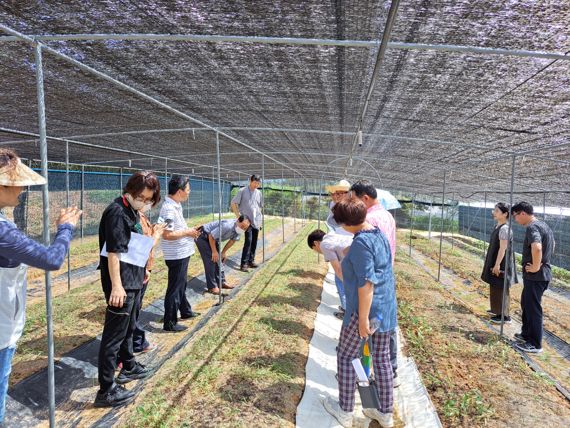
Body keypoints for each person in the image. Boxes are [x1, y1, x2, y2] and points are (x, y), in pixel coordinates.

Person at [0, 149, 81, 422]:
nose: (22, 190)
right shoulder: (2, 231)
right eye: (16, 183)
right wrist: (66, 228)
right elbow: (51, 259)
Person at [323, 197, 396, 428]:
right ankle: (385, 412)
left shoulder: (362, 244)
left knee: (346, 356)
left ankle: (344, 410)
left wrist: (362, 319)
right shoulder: (376, 234)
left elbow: (366, 284)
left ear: (347, 223)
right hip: (385, 307)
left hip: (366, 311)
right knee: (382, 359)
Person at [96, 171, 161, 408]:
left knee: (128, 328)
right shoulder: (116, 212)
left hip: (133, 279)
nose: (145, 202)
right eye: (142, 197)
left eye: (149, 199)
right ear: (131, 191)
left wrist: (143, 267)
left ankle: (128, 364)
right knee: (113, 336)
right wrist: (117, 286)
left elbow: (133, 246)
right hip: (121, 284)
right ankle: (106, 389)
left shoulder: (132, 211)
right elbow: (114, 252)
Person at [350, 180, 399, 387]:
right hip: (387, 278)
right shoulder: (388, 215)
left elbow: (366, 264)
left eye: (354, 200)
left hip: (373, 282)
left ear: (365, 199)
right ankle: (392, 371)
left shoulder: (369, 219)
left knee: (369, 330)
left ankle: (367, 374)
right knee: (388, 327)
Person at [511, 201, 555, 354]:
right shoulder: (544, 226)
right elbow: (552, 245)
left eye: (515, 216)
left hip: (536, 276)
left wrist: (536, 266)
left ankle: (535, 344)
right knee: (526, 303)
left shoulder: (532, 227)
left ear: (522, 213)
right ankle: (526, 334)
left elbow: (537, 247)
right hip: (539, 275)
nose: (515, 220)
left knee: (533, 308)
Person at [159, 175, 201, 332]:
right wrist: (187, 232)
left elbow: (176, 229)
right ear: (179, 191)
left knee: (181, 284)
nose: (189, 192)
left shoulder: (175, 205)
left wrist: (189, 231)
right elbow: (167, 235)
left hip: (182, 252)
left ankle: (185, 311)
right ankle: (170, 322)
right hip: (176, 254)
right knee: (175, 287)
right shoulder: (169, 208)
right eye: (188, 190)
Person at [131, 201, 166, 354]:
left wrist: (154, 229)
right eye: (147, 199)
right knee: (133, 310)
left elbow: (146, 235)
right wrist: (156, 235)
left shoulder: (141, 215)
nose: (149, 203)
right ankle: (136, 344)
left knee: (136, 308)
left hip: (143, 268)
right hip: (137, 269)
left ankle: (135, 343)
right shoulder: (132, 219)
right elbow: (141, 245)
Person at [480, 203, 517, 324]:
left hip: (501, 263)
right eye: (494, 210)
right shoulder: (498, 226)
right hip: (496, 260)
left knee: (501, 287)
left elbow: (503, 248)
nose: (493, 212)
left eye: (496, 211)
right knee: (495, 285)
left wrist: (497, 265)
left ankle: (504, 316)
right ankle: (497, 310)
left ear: (505, 214)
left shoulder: (505, 228)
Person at [195, 216, 250, 295]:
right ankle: (212, 287)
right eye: (242, 226)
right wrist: (214, 251)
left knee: (219, 260)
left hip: (213, 239)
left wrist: (223, 252)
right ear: (238, 221)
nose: (243, 229)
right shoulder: (227, 226)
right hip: (203, 236)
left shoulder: (239, 230)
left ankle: (221, 282)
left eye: (245, 228)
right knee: (211, 260)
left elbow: (232, 241)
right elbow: (211, 236)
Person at [307, 229, 353, 319]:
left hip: (356, 261)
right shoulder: (332, 235)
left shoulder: (325, 244)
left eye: (315, 249)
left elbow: (338, 270)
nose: (317, 252)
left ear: (316, 243)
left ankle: (348, 311)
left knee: (340, 281)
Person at [231, 175, 263, 272]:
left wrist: (260, 222)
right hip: (247, 221)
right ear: (250, 181)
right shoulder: (242, 191)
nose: (256, 185)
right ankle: (243, 264)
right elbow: (233, 203)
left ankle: (251, 261)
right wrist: (239, 217)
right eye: (255, 183)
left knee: (254, 242)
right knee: (248, 241)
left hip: (256, 221)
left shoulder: (259, 193)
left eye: (258, 183)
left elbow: (260, 207)